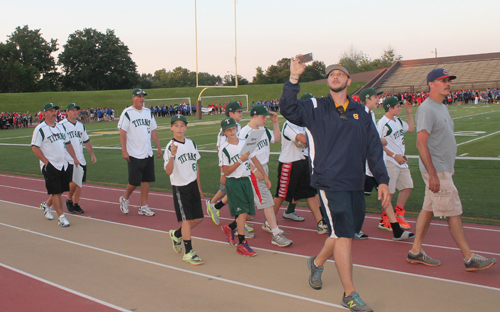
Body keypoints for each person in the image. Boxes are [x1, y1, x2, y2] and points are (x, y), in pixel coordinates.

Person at [280, 60, 390, 312]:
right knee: (344, 237)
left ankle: (317, 262)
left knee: (345, 231)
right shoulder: (314, 106)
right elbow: (288, 109)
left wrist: (382, 180)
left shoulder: (362, 112)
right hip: (329, 181)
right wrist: (294, 79)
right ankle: (349, 294)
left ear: (349, 81)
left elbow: (373, 147)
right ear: (328, 80)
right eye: (332, 74)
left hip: (355, 181)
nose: (336, 77)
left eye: (341, 74)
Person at [407, 68, 496, 271]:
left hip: (442, 169)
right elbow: (421, 143)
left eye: (449, 80)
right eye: (443, 80)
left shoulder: (441, 106)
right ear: (431, 84)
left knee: (428, 209)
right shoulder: (427, 109)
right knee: (454, 211)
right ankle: (468, 257)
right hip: (437, 171)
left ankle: (415, 251)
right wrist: (432, 174)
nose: (448, 83)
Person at [272, 93, 328, 235]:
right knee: (281, 194)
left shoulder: (307, 123)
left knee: (310, 192)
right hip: (289, 163)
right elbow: (303, 139)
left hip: (304, 162)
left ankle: (320, 223)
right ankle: (269, 221)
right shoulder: (289, 124)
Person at [239, 105, 293, 247]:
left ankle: (236, 226)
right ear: (254, 116)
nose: (265, 119)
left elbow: (276, 138)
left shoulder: (262, 130)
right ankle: (275, 233)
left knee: (249, 202)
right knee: (268, 201)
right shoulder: (245, 132)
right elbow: (242, 155)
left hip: (263, 167)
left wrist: (275, 122)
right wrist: (253, 169)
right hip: (253, 170)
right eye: (263, 116)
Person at [219, 117, 268, 256]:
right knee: (241, 212)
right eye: (228, 130)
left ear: (237, 129)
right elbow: (227, 171)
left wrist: (262, 174)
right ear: (224, 132)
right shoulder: (224, 149)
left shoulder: (244, 143)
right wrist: (240, 160)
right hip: (234, 182)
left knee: (248, 213)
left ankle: (230, 228)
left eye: (233, 128)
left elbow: (253, 158)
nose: (232, 131)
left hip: (246, 180)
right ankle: (242, 243)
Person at [31, 103, 81, 227]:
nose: (54, 113)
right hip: (50, 165)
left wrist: (75, 158)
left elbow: (68, 144)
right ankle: (61, 217)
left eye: (55, 111)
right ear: (45, 113)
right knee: (55, 192)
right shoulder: (40, 129)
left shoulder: (60, 127)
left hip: (62, 164)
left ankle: (46, 206)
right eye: (51, 111)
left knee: (60, 190)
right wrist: (46, 162)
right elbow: (35, 148)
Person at [164, 115, 205, 265]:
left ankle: (176, 234)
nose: (179, 128)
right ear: (171, 128)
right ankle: (188, 252)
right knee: (187, 220)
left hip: (192, 185)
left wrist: (199, 187)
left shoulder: (191, 143)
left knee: (198, 218)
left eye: (182, 126)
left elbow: (196, 165)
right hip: (180, 187)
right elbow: (168, 171)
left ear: (186, 127)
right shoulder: (170, 147)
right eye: (176, 125)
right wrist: (172, 156)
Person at [118, 88, 162, 216]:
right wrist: (124, 150)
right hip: (134, 152)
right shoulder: (127, 112)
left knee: (146, 180)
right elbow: (123, 132)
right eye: (139, 96)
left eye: (143, 96)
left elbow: (153, 130)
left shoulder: (148, 112)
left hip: (147, 151)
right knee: (134, 182)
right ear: (133, 98)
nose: (141, 99)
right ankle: (125, 199)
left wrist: (158, 147)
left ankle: (143, 206)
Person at [376, 96, 415, 241]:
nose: (400, 108)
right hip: (390, 161)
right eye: (397, 106)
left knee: (407, 187)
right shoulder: (382, 123)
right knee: (389, 192)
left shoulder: (397, 120)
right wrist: (393, 155)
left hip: (401, 160)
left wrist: (409, 113)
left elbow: (410, 129)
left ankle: (399, 214)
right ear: (390, 108)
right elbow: (378, 142)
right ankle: (385, 218)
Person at [357, 87, 385, 240]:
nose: (378, 100)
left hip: (367, 162)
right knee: (356, 198)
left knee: (359, 198)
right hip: (359, 162)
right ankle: (351, 227)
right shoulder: (360, 113)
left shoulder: (371, 113)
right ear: (367, 98)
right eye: (375, 97)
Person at [61, 103, 97, 214]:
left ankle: (75, 204)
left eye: (76, 110)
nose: (75, 112)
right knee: (73, 182)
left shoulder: (80, 126)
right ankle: (68, 200)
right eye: (72, 110)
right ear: (67, 112)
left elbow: (86, 141)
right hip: (69, 159)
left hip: (80, 158)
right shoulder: (62, 125)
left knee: (79, 183)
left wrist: (92, 154)